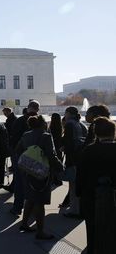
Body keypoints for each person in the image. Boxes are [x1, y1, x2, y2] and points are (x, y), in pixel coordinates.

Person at [16, 115, 62, 240]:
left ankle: (24, 223)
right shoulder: (46, 136)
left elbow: (18, 149)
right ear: (43, 124)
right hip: (41, 171)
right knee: (40, 201)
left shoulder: (26, 135)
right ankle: (40, 231)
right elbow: (51, 155)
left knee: (30, 198)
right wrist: (60, 167)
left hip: (27, 170)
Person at [76, 117, 116, 254]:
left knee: (92, 228)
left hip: (91, 195)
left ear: (96, 133)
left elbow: (80, 175)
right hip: (113, 197)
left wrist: (79, 193)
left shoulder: (89, 151)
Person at [7, 100, 40, 215]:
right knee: (33, 183)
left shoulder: (20, 120)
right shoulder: (42, 122)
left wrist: (13, 151)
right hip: (36, 157)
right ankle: (30, 209)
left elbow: (13, 138)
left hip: (21, 154)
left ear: (28, 107)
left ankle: (18, 207)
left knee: (20, 182)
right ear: (37, 109)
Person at [62, 106, 88, 218]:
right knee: (78, 185)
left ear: (69, 113)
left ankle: (74, 210)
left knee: (73, 185)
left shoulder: (69, 124)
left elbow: (68, 142)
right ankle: (79, 208)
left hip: (72, 158)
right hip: (81, 158)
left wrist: (63, 148)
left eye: (66, 113)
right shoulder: (81, 124)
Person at [48, 113, 64, 186]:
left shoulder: (51, 128)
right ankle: (58, 179)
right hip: (59, 148)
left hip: (53, 147)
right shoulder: (60, 127)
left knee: (52, 164)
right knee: (58, 163)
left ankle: (53, 179)